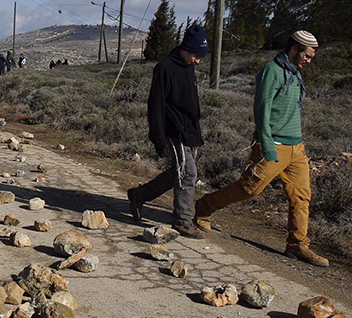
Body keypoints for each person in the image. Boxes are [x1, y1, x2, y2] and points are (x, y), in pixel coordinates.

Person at [194, 30, 329, 267]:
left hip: (296, 147)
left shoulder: (295, 73)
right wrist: (266, 144)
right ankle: (205, 206)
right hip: (274, 143)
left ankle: (298, 244)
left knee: (301, 196)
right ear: (295, 49)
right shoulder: (272, 71)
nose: (309, 61)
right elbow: (262, 109)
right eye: (307, 55)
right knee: (250, 188)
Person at [126, 25, 207, 238]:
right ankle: (182, 221)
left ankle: (139, 195)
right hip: (174, 130)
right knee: (188, 173)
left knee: (179, 171)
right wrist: (158, 138)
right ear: (187, 49)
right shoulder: (165, 67)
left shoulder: (188, 67)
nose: (198, 61)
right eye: (197, 56)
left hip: (189, 130)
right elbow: (156, 105)